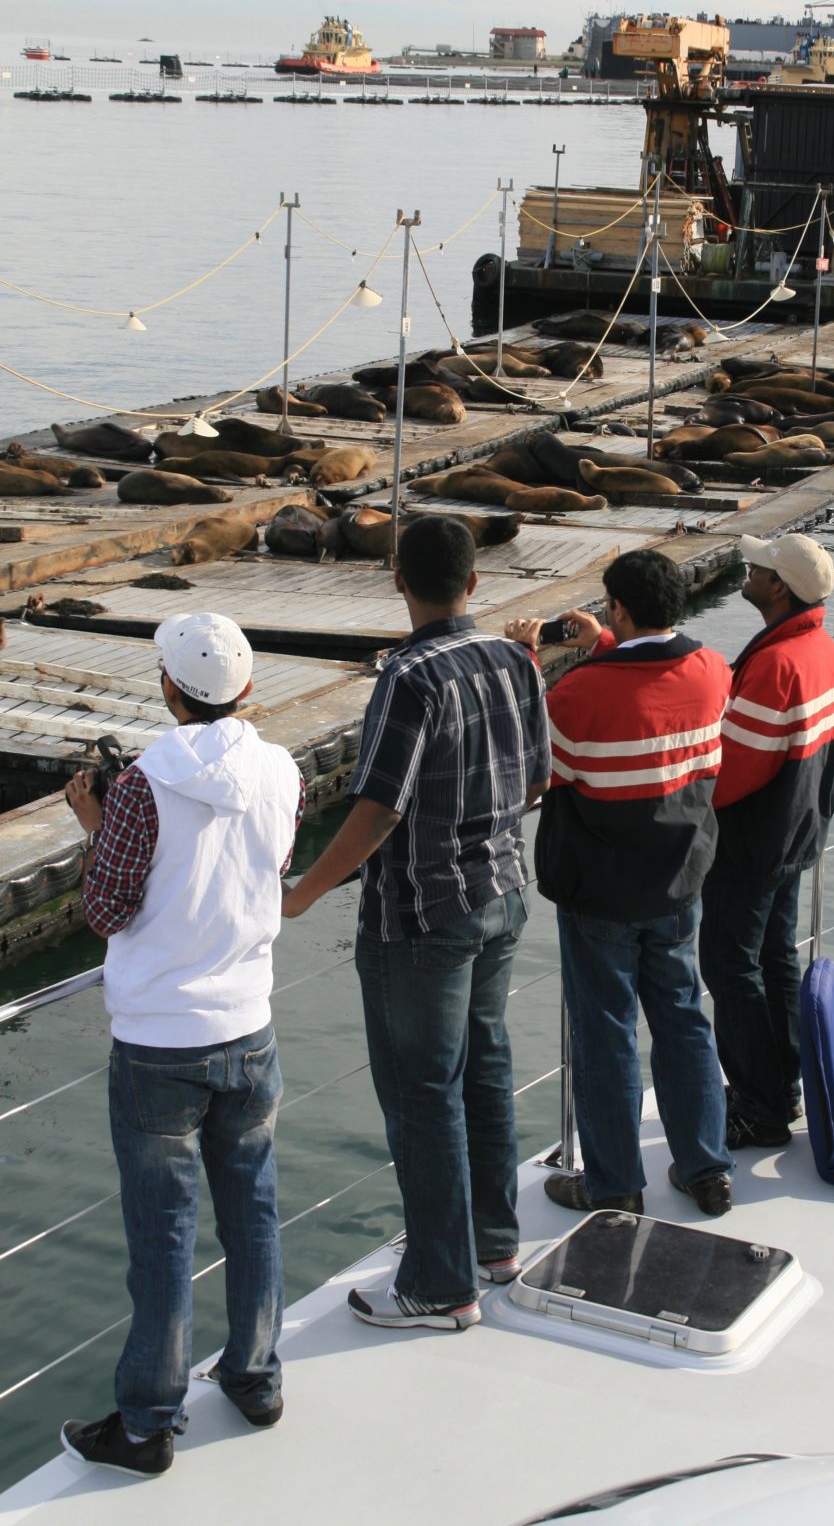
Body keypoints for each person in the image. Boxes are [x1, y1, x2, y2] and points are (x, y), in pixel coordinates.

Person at [283, 515, 550, 1330]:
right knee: (486, 1069)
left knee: (422, 1093)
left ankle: (439, 1283)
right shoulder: (514, 660)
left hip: (423, 917)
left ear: (398, 580)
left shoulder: (407, 677)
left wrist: (303, 893)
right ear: (474, 583)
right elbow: (538, 782)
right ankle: (496, 1244)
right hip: (501, 894)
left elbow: (377, 811)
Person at [60, 612, 304, 1479]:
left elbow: (108, 910)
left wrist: (94, 822)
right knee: (255, 1211)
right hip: (249, 1025)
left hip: (160, 1040)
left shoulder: (138, 789)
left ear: (170, 689)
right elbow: (265, 868)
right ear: (244, 689)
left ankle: (150, 1421)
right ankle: (256, 1376)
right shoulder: (282, 768)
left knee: (164, 1234)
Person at [506, 549, 735, 1219]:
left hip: (601, 889)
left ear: (621, 607)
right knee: (685, 1018)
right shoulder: (712, 670)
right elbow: (651, 703)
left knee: (606, 1036)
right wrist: (607, 643)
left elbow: (538, 762)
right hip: (679, 880)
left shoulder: (580, 693)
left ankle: (614, 1185)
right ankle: (706, 1168)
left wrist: (529, 660)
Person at [699, 534, 834, 1151]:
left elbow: (732, 771)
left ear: (778, 589)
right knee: (775, 959)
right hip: (796, 834)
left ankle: (759, 1108)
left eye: (758, 567)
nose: (749, 569)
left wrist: (680, 810)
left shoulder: (777, 663)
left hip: (750, 844)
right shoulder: (823, 651)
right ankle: (784, 1086)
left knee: (730, 967)